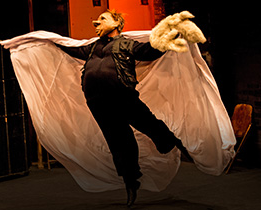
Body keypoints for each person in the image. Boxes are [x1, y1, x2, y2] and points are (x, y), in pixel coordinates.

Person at [54, 9, 192, 207]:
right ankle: (130, 181)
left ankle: (173, 143)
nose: (96, 22)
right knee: (119, 142)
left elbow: (149, 52)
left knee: (148, 123)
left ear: (117, 23)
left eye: (102, 18)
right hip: (97, 102)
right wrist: (45, 41)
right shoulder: (92, 47)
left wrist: (171, 36)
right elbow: (70, 49)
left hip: (122, 97)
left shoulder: (126, 43)